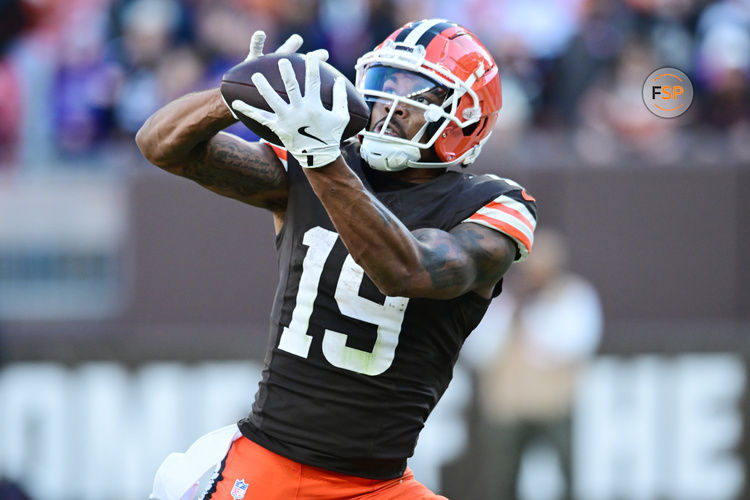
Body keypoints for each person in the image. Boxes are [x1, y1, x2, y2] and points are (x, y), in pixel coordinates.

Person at [136, 19, 537, 500]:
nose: (390, 106)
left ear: (467, 120)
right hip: (272, 464)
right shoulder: (318, 159)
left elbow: (406, 270)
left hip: (379, 485)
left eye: (415, 96)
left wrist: (322, 158)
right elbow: (161, 145)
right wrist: (238, 91)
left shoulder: (493, 205)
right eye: (384, 86)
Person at [462, 229, 602, 499]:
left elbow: (571, 345)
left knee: (566, 477)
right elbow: (479, 351)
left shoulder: (574, 297)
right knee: (502, 480)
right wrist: (511, 311)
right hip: (506, 408)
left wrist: (532, 314)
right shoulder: (497, 299)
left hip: (555, 407)